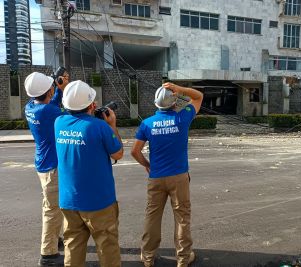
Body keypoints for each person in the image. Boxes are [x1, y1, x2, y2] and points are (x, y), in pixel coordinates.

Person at [131, 82, 203, 267]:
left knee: (152, 217)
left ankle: (147, 257)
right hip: (179, 177)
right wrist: (181, 89)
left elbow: (135, 152)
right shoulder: (182, 118)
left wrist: (148, 165)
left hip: (156, 176)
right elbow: (198, 96)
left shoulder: (147, 123)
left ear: (156, 103)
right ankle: (183, 258)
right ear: (174, 102)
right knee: (182, 217)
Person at [54, 80, 123, 267]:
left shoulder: (58, 122)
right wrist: (111, 125)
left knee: (73, 246)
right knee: (107, 246)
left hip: (69, 201)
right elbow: (117, 153)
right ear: (92, 105)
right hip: (98, 202)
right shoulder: (99, 127)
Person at [24, 72, 66, 266]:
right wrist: (61, 89)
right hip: (52, 167)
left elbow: (51, 103)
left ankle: (55, 238)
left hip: (42, 163)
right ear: (48, 90)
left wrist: (57, 88)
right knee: (51, 209)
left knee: (54, 206)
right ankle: (47, 254)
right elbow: (71, 113)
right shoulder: (49, 112)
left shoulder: (30, 107)